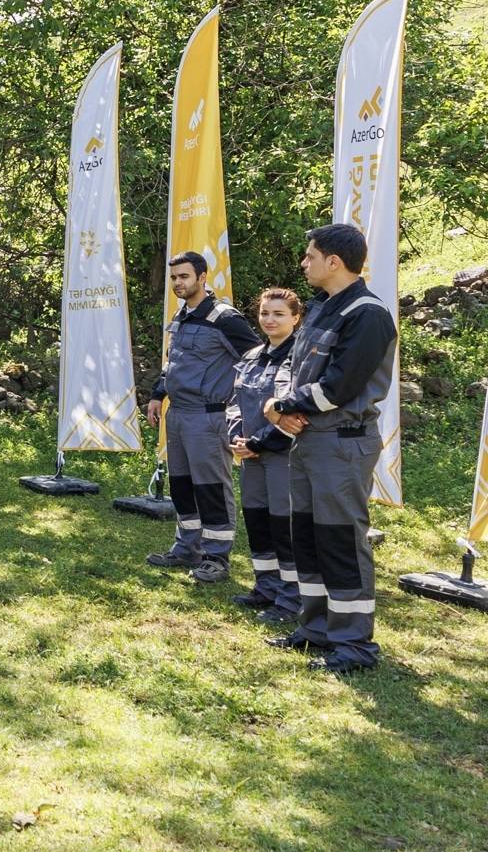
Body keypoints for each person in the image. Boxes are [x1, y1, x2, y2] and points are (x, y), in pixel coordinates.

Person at [264, 224, 399, 674]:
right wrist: (280, 411)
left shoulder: (368, 314)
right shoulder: (323, 307)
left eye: (309, 256)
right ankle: (317, 628)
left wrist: (283, 406)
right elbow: (296, 368)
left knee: (340, 539)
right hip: (308, 439)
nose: (304, 263)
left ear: (334, 262)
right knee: (307, 536)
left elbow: (340, 386)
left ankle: (354, 644)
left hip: (341, 443)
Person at [144, 252, 260, 580]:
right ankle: (186, 548)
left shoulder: (224, 318)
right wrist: (157, 394)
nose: (178, 283)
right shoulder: (182, 317)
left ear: (202, 277)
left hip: (208, 418)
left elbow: (255, 361)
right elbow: (174, 363)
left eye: (184, 276)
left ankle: (216, 557)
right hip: (177, 416)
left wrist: (244, 408)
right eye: (174, 278)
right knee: (181, 486)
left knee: (210, 487)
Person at [227, 287, 303, 622]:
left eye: (279, 314)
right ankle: (266, 587)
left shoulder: (300, 358)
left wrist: (257, 443)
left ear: (296, 318)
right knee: (257, 521)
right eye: (264, 313)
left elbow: (297, 414)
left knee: (282, 525)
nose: (269, 320)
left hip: (282, 454)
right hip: (249, 456)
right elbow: (234, 403)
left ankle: (291, 598)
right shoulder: (250, 357)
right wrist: (235, 437)